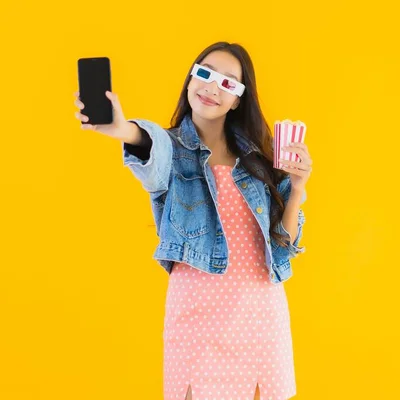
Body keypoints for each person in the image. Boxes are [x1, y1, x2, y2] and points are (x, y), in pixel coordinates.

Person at [73, 41, 313, 400]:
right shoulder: (172, 151)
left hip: (260, 317)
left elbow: (282, 246)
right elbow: (151, 149)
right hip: (196, 318)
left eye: (229, 83)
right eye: (205, 73)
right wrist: (125, 130)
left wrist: (296, 189)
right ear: (190, 80)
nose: (213, 87)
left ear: (238, 100)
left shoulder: (260, 161)